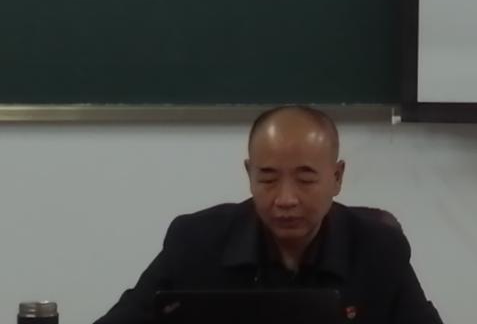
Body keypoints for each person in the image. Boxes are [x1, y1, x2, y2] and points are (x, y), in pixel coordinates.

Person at [94, 105, 443, 324]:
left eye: (305, 179)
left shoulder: (379, 249)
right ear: (249, 174)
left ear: (337, 177)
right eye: (268, 178)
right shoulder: (195, 242)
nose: (285, 199)